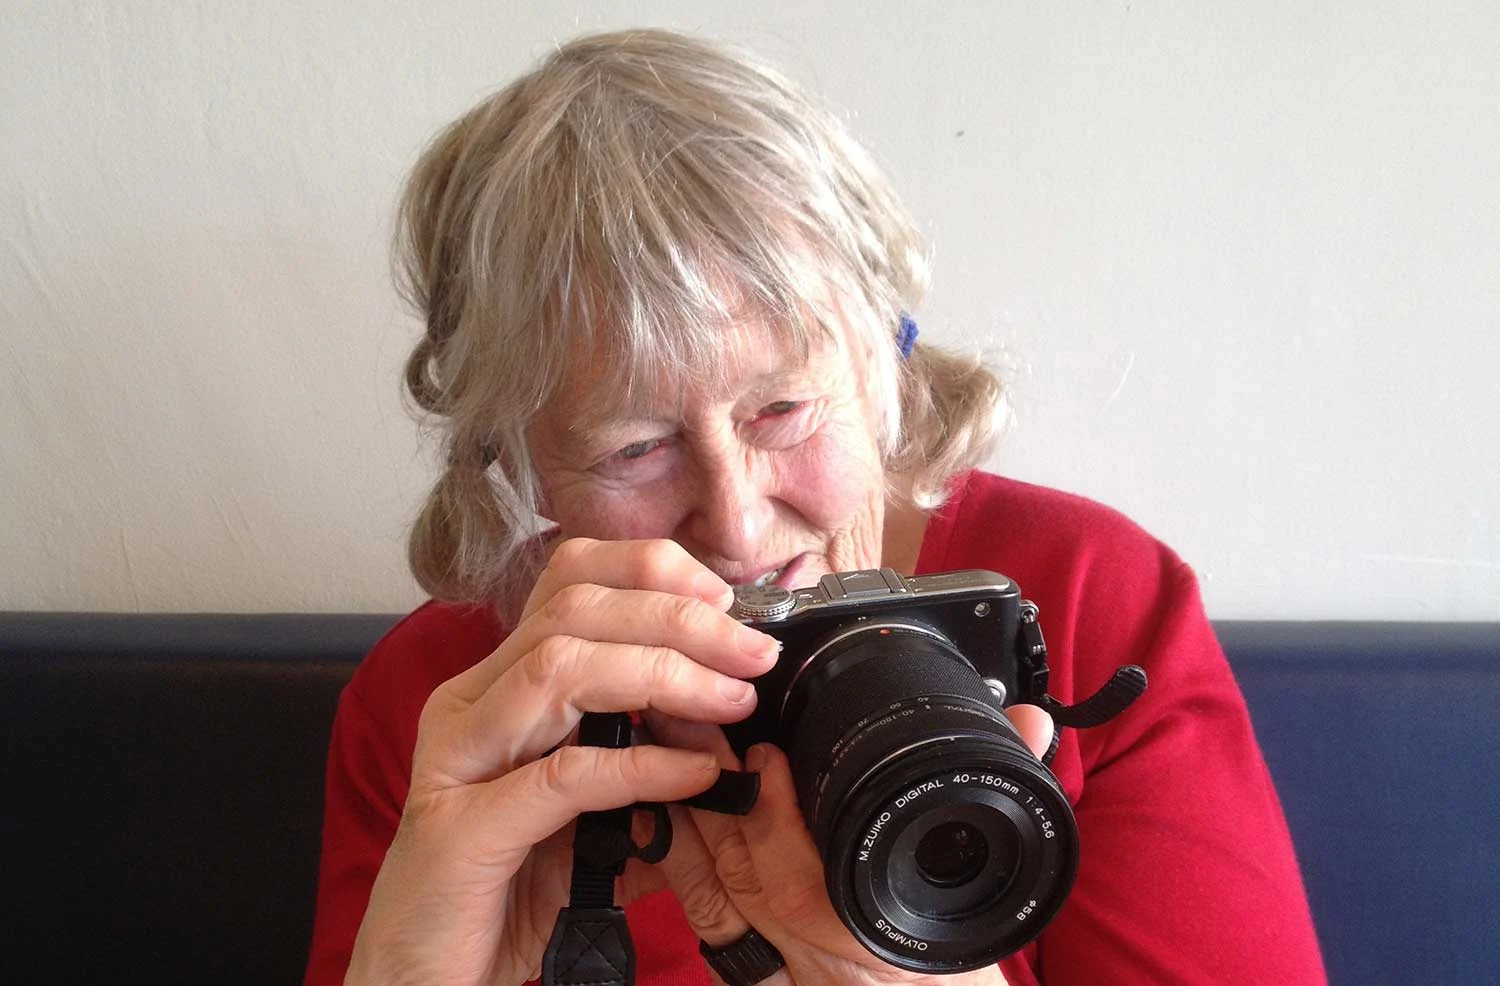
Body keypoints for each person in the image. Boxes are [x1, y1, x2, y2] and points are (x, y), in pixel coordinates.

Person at [305, 28, 1325, 986]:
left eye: (783, 407)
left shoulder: (1088, 598)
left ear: (887, 359)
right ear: (521, 465)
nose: (739, 526)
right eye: (634, 447)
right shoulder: (450, 709)